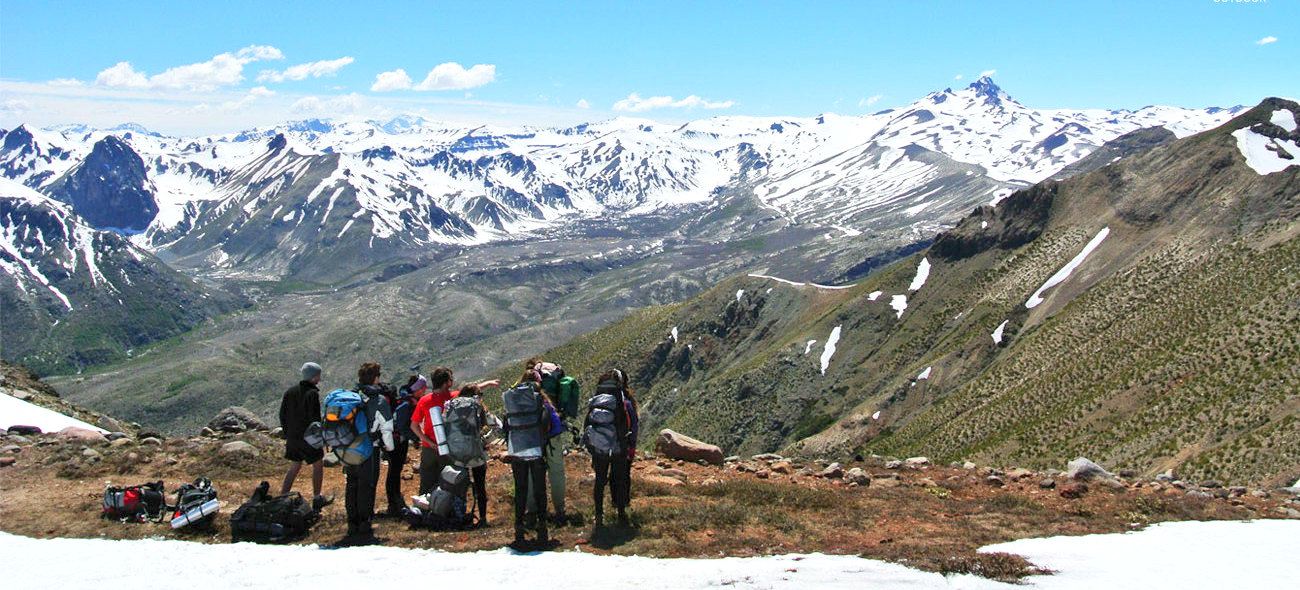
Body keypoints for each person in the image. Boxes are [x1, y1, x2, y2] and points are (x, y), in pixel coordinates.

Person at [410, 367, 499, 494]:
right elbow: (472, 390)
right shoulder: (453, 398)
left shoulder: (424, 400)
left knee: (426, 483)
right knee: (449, 485)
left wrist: (428, 441)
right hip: (450, 450)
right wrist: (488, 383)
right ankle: (449, 512)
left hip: (429, 450)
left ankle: (424, 510)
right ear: (447, 383)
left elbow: (414, 426)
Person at [342, 361, 392, 543]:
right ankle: (364, 521)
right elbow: (386, 427)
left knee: (352, 483)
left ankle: (352, 522)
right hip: (370, 447)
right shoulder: (378, 399)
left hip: (349, 447)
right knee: (367, 484)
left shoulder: (351, 396)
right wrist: (390, 448)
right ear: (376, 378)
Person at [503, 370, 553, 544]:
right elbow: (548, 423)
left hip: (517, 451)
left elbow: (506, 424)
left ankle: (519, 525)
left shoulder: (513, 399)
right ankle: (542, 524)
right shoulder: (539, 399)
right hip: (537, 450)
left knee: (521, 488)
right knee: (539, 488)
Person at [586, 369, 640, 527]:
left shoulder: (597, 401)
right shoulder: (625, 403)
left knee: (600, 481)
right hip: (619, 447)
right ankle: (621, 513)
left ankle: (598, 515)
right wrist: (630, 448)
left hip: (600, 448)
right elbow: (633, 427)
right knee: (620, 479)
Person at [278, 362, 332, 510]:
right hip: (308, 438)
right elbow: (314, 419)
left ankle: (282, 498)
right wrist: (319, 437)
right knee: (318, 465)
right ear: (314, 377)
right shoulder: (312, 394)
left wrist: (287, 432)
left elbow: (282, 414)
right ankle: (317, 497)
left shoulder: (290, 392)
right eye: (319, 375)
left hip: (293, 437)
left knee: (294, 466)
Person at [450, 383, 500, 526]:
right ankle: (483, 517)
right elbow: (498, 425)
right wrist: (485, 440)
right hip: (476, 453)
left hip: (457, 452)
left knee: (459, 485)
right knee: (480, 486)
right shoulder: (479, 408)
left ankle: (458, 515)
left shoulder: (453, 407)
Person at [379, 374, 424, 517]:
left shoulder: (407, 401)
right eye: (422, 387)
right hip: (398, 442)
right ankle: (394, 503)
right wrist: (415, 437)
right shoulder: (406, 403)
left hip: (397, 440)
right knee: (394, 471)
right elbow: (402, 426)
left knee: (394, 471)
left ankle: (395, 501)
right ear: (417, 388)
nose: (424, 389)